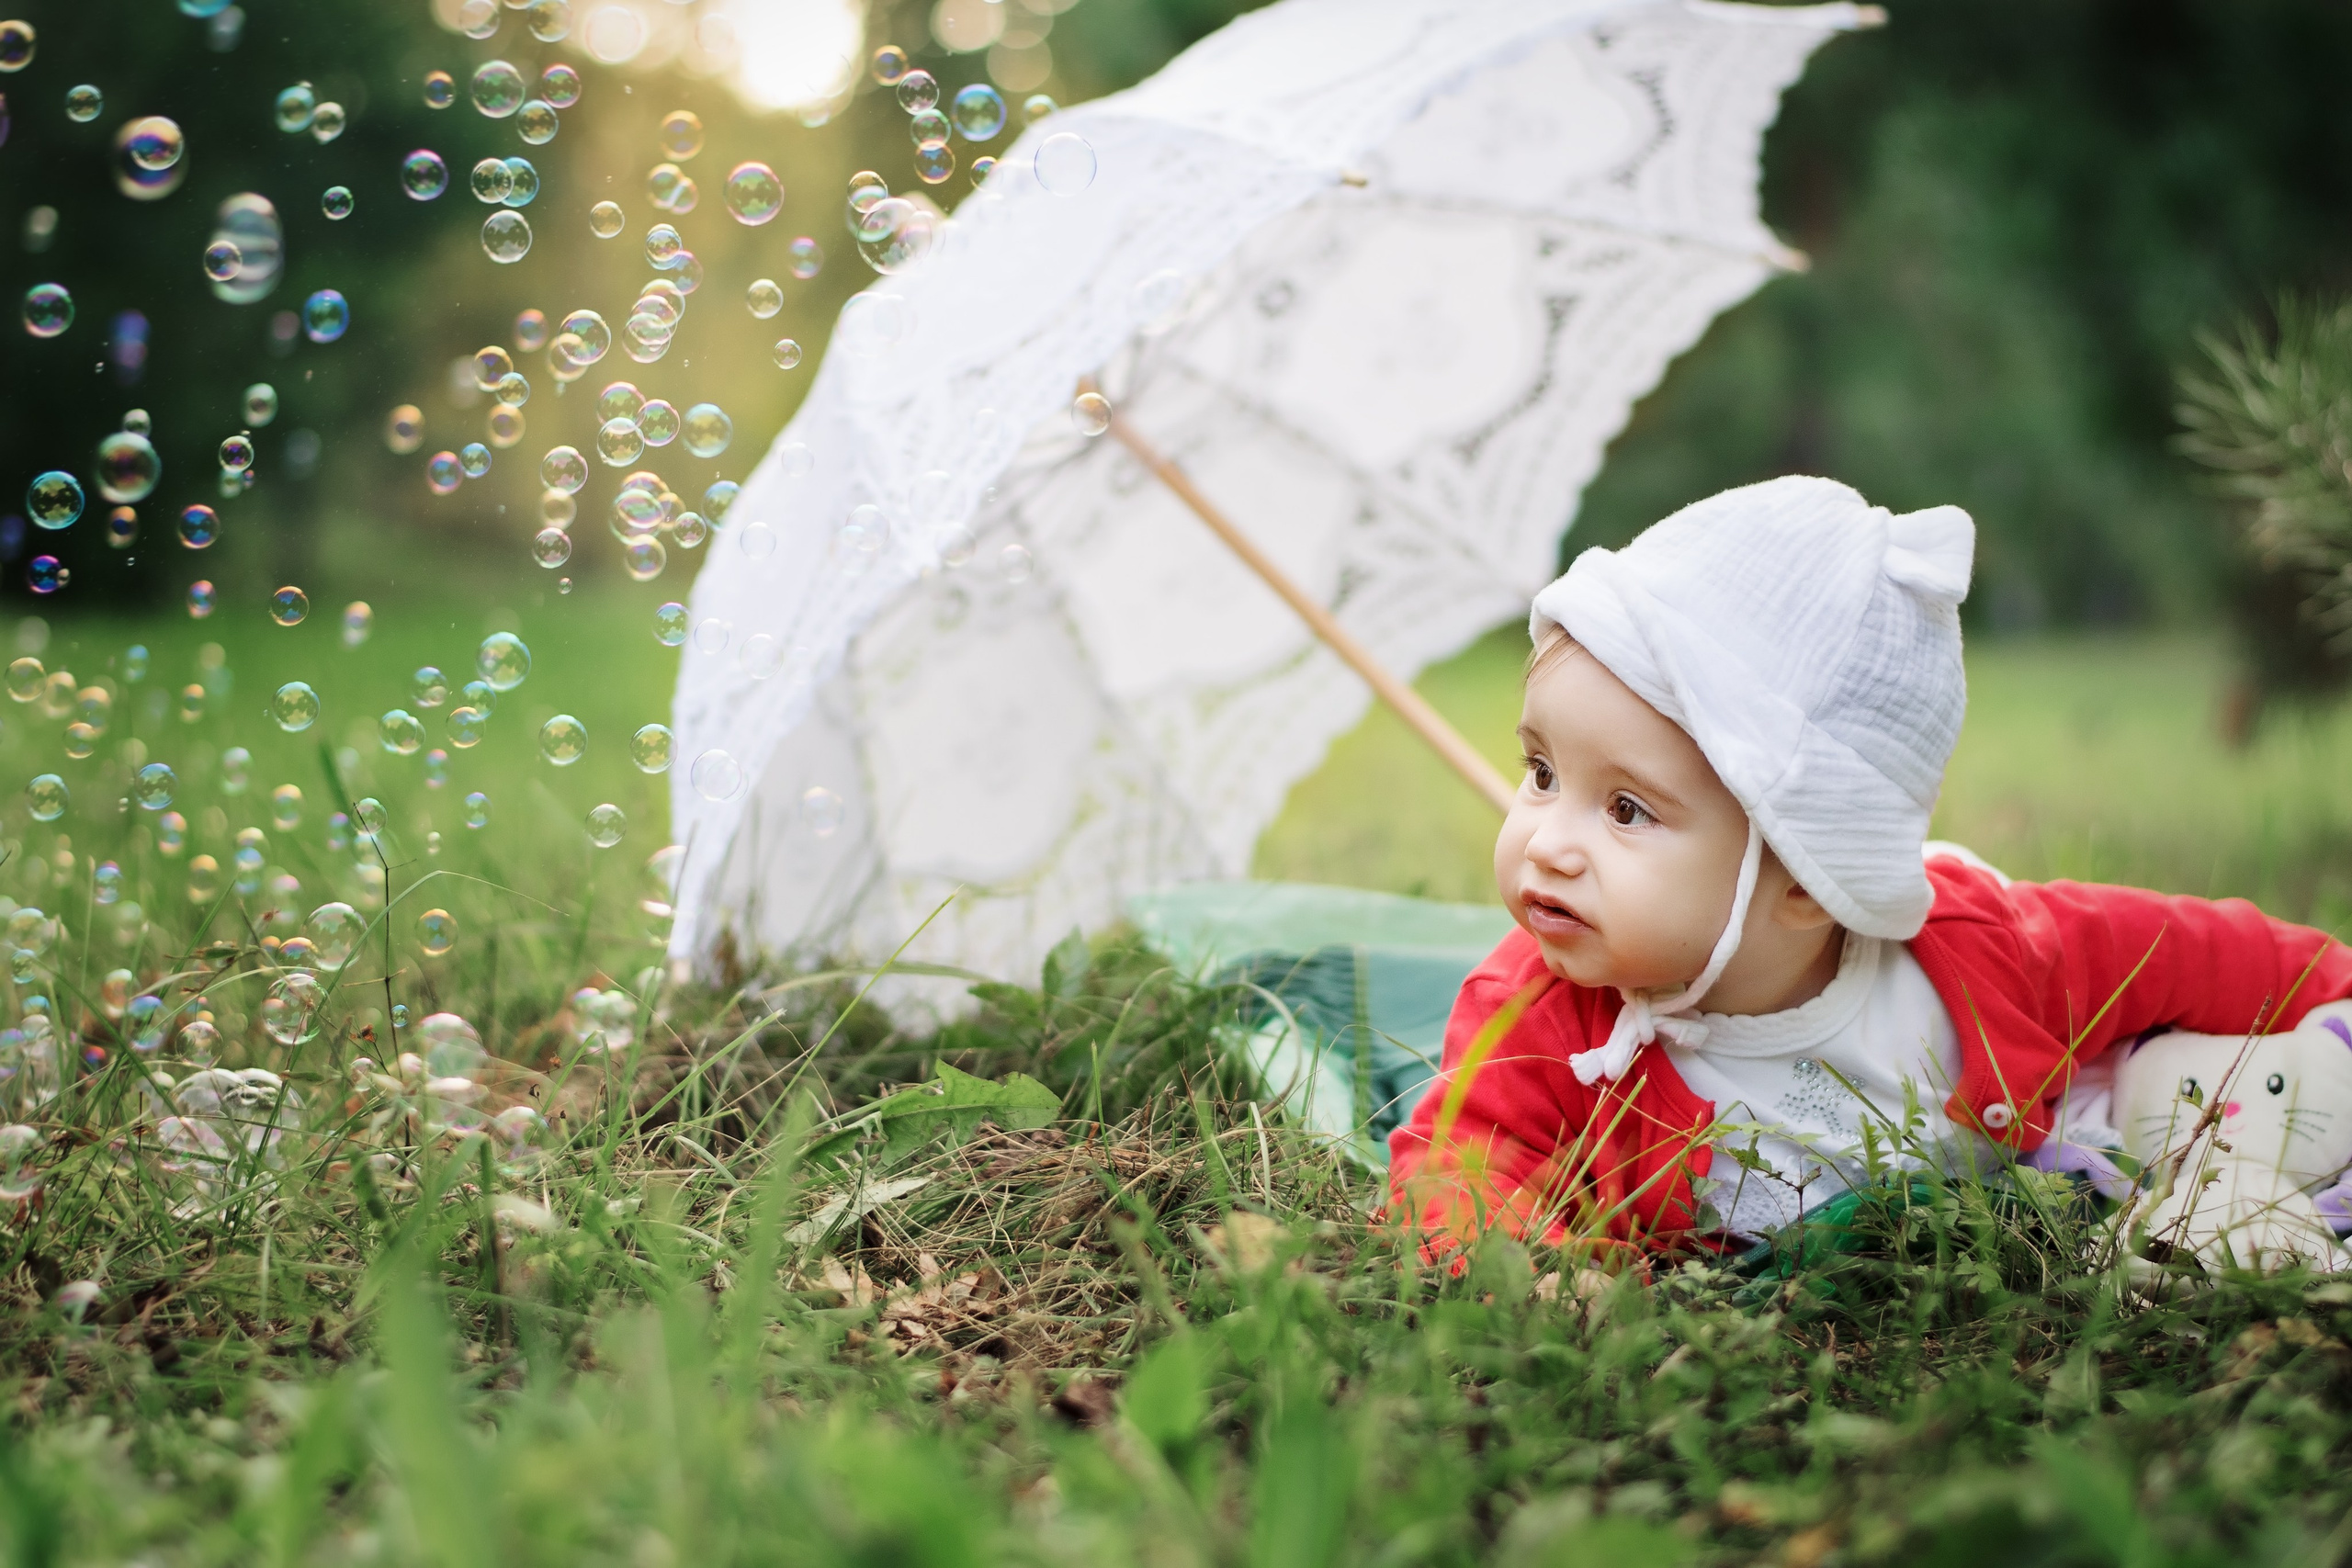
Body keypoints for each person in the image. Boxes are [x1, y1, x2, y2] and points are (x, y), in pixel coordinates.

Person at [1385, 476, 2352, 1262]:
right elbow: (1461, 1159)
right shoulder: (1545, 1008)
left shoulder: (1980, 957)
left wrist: (2334, 991)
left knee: (2251, 1116)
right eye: (1542, 774)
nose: (1546, 840)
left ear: (1807, 879)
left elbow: (2209, 955)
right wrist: (1535, 1276)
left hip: (2079, 1151)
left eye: (1625, 808)